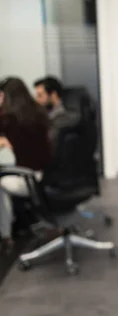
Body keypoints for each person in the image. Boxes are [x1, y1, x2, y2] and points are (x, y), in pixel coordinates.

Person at [0, 78, 52, 256]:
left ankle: (6, 236)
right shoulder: (39, 111)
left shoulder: (7, 118)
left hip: (31, 178)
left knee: (1, 183)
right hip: (50, 174)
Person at [33, 76, 79, 146]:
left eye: (40, 95)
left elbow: (45, 140)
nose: (37, 100)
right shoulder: (47, 112)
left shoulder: (63, 116)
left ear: (53, 95)